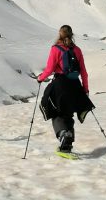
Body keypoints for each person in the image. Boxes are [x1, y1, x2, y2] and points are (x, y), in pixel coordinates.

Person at [36, 25, 94, 153]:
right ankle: (68, 142)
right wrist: (85, 90)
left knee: (56, 111)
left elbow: (50, 69)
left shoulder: (55, 48)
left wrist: (40, 78)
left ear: (59, 34)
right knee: (68, 113)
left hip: (60, 83)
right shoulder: (77, 50)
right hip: (75, 85)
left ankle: (64, 135)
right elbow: (84, 72)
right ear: (71, 34)